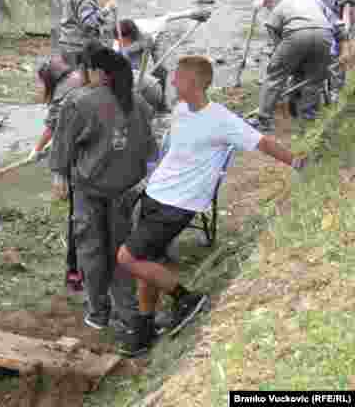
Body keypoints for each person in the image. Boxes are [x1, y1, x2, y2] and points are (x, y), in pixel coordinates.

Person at [117, 56, 305, 354]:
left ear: (193, 82)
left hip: (176, 205)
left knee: (127, 258)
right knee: (146, 262)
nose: (172, 80)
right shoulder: (180, 111)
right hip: (156, 196)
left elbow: (262, 142)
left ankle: (186, 298)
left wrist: (297, 162)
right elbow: (172, 155)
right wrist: (144, 184)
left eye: (177, 76)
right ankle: (144, 328)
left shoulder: (221, 119)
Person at [50, 45, 156, 349]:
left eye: (85, 70)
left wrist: (59, 176)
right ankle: (127, 312)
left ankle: (98, 312)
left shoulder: (79, 102)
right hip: (127, 190)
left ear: (96, 72)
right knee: (122, 253)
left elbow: (63, 145)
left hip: (91, 190)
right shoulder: (138, 101)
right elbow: (150, 149)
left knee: (91, 252)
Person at [253, 0, 334, 130]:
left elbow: (271, 27)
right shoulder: (317, 1)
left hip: (296, 35)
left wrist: (280, 51)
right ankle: (308, 116)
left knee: (275, 75)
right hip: (324, 35)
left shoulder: (282, 3)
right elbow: (337, 24)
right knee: (314, 78)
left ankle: (263, 118)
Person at [35, 54, 85, 200]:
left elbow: (52, 125)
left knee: (60, 156)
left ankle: (62, 193)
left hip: (83, 130)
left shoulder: (62, 91)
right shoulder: (76, 76)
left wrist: (36, 149)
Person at [57, 0, 117, 68]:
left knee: (71, 79)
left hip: (69, 44)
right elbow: (89, 23)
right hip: (77, 47)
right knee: (79, 81)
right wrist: (107, 9)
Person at [115, 18, 167, 112]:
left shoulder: (150, 29)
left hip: (155, 40)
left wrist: (192, 14)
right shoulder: (118, 38)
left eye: (123, 41)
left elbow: (170, 16)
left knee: (161, 70)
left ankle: (162, 104)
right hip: (130, 46)